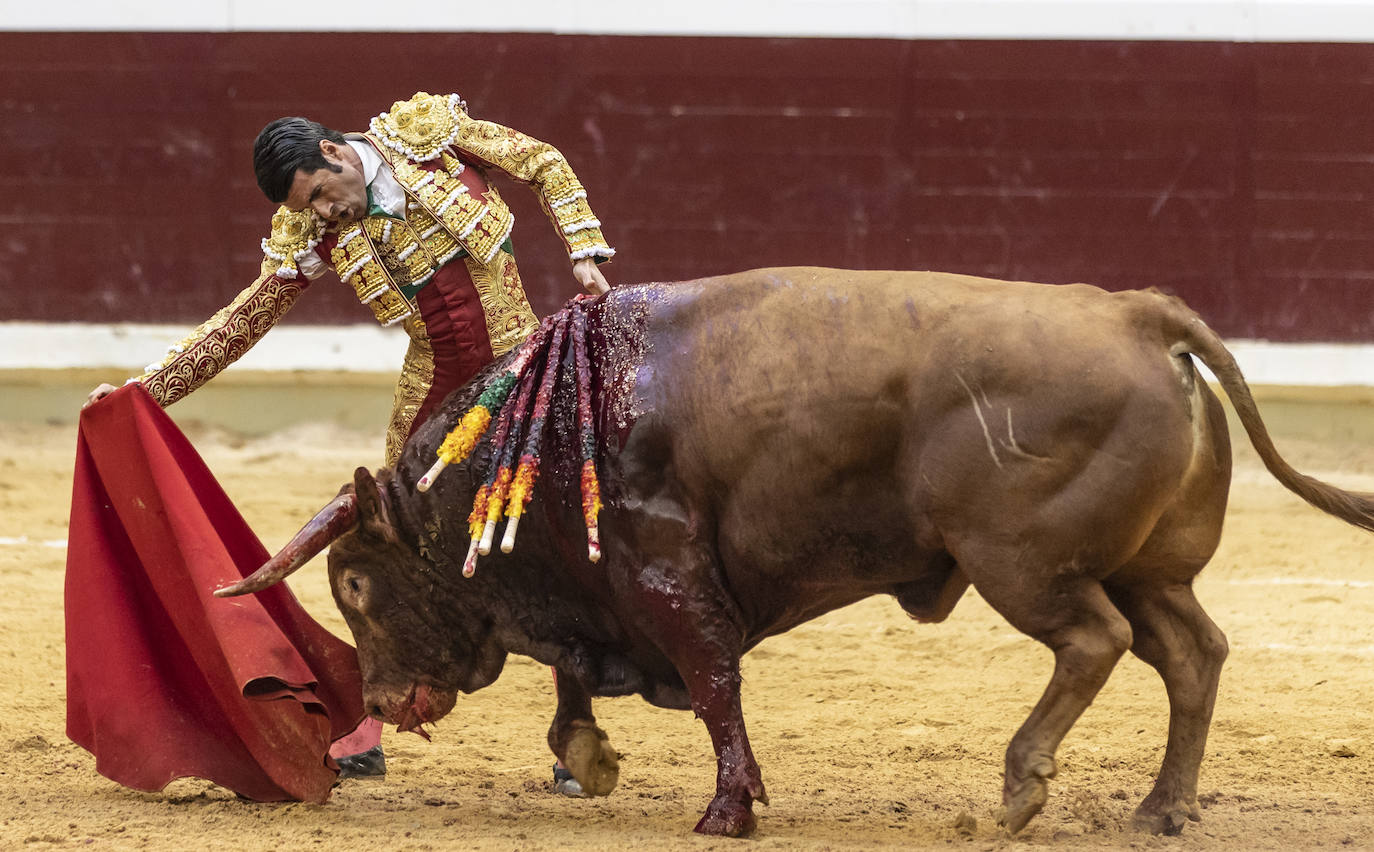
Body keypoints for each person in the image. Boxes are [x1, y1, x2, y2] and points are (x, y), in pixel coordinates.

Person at [85, 91, 613, 795]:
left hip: (524, 369)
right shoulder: (310, 230)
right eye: (310, 208)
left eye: (324, 195)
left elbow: (542, 162)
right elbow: (244, 320)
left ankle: (574, 726)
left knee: (551, 539)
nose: (324, 213)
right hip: (435, 388)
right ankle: (365, 731)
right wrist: (144, 391)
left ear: (336, 153)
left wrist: (583, 249)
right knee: (383, 547)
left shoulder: (428, 137)